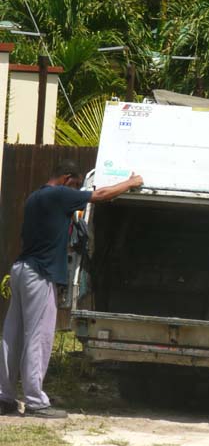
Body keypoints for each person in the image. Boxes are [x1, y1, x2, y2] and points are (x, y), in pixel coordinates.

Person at [0, 160, 143, 418]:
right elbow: (100, 195)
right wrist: (131, 183)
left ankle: (4, 397)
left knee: (13, 335)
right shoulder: (60, 194)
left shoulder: (35, 196)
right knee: (38, 337)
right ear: (67, 179)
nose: (76, 192)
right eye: (76, 186)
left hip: (20, 269)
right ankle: (35, 401)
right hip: (39, 273)